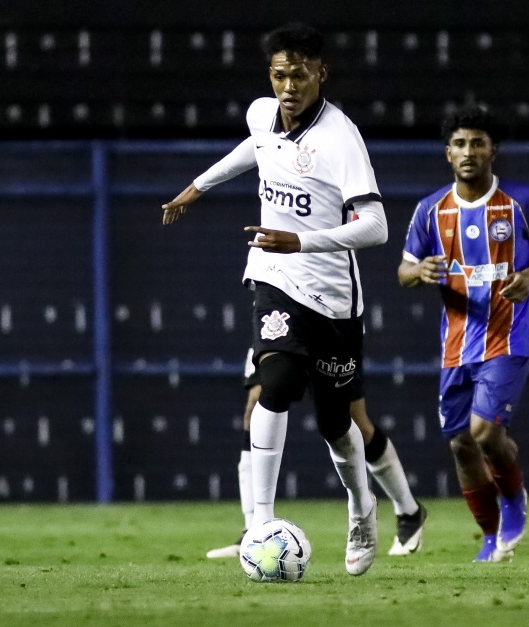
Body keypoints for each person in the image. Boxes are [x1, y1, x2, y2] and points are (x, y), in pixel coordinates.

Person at [163, 23, 388, 576]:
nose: (289, 85)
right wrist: (199, 186)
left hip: (332, 294)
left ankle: (362, 506)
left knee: (337, 423)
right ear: (271, 75)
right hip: (272, 273)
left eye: (301, 74)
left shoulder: (340, 139)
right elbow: (256, 148)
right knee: (279, 383)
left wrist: (302, 239)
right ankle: (260, 523)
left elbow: (378, 226)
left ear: (321, 74)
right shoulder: (262, 113)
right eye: (280, 75)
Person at [397, 105, 529, 562]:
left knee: (485, 432)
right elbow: (402, 270)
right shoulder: (429, 210)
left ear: (493, 149)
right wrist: (420, 271)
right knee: (460, 444)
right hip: (456, 340)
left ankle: (514, 500)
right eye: (459, 144)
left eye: (477, 142)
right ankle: (491, 537)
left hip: (509, 333)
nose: (468, 151)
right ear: (447, 154)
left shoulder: (523, 201)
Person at [206, 349, 427, 559]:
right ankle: (254, 531)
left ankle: (409, 513)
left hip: (328, 317)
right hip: (281, 315)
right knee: (257, 401)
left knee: (354, 421)